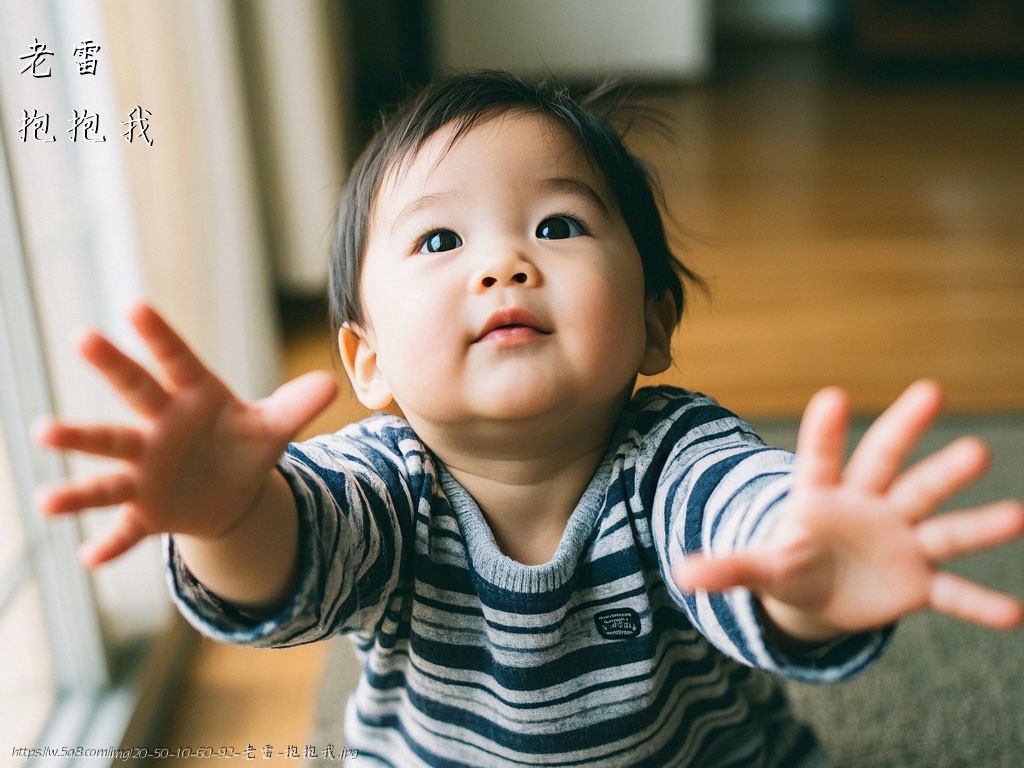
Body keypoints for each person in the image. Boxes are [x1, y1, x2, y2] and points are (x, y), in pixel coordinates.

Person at [34, 71, 1023, 767]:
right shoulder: (385, 479)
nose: (502, 264)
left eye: (558, 224)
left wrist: (803, 572)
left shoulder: (672, 454)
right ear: (366, 361)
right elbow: (299, 557)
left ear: (652, 322)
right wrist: (226, 518)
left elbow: (745, 525)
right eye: (438, 238)